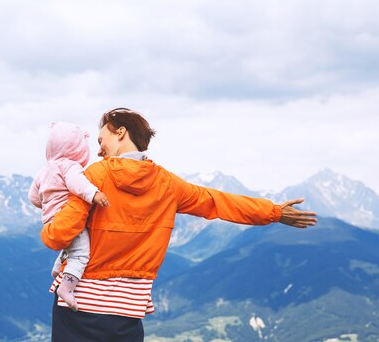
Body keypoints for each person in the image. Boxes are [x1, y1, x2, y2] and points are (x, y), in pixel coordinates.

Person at [40, 108, 318, 341]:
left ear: (120, 131)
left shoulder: (94, 176)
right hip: (128, 310)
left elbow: (59, 236)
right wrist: (273, 212)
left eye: (101, 141)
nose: (99, 151)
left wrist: (49, 221)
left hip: (78, 305)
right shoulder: (167, 184)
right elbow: (216, 201)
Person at [29, 121, 110, 311]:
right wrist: (94, 194)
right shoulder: (69, 166)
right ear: (77, 149)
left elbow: (32, 196)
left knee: (71, 243)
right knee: (81, 254)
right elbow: (77, 184)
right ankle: (66, 288)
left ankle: (58, 267)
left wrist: (46, 206)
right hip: (67, 217)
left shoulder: (44, 170)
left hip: (49, 219)